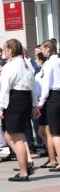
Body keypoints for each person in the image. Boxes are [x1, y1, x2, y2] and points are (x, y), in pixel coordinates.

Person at [0, 38, 38, 181]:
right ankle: (26, 164)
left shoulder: (10, 66)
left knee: (16, 137)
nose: (4, 52)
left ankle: (23, 172)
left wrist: (1, 107)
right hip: (25, 99)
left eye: (4, 50)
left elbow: (5, 88)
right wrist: (34, 104)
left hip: (15, 99)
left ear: (9, 50)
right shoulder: (26, 63)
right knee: (14, 134)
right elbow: (33, 86)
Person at [38, 40, 60, 171]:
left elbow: (46, 86)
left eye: (43, 49)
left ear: (48, 49)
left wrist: (40, 103)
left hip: (53, 97)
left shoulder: (49, 64)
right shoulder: (58, 61)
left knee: (56, 133)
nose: (42, 51)